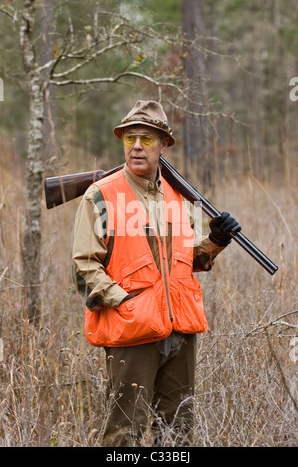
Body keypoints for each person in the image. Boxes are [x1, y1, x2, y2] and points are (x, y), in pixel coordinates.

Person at [72, 100, 241, 447]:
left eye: (147, 140)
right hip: (131, 330)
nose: (136, 146)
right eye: (129, 138)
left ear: (164, 145)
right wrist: (124, 302)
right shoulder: (101, 195)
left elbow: (188, 259)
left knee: (178, 431)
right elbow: (84, 266)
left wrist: (217, 240)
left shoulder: (181, 198)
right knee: (124, 434)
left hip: (181, 329)